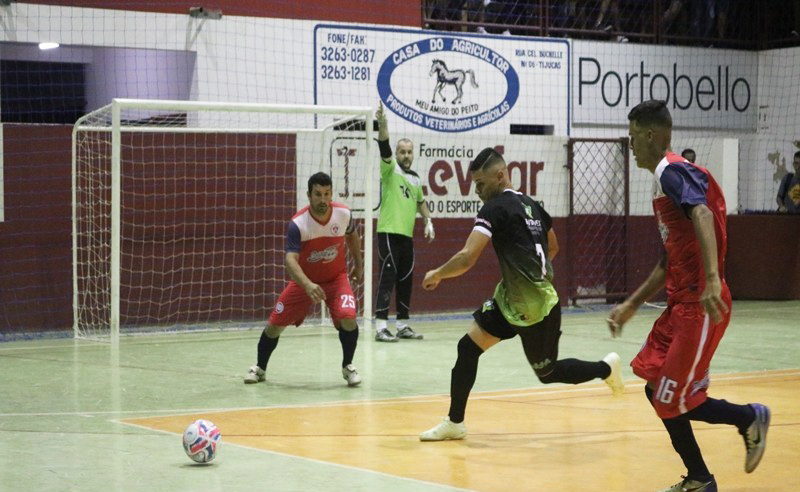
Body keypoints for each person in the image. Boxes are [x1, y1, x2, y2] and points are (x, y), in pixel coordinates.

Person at [608, 100, 770, 491]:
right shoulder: (662, 181)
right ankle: (699, 478)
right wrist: (632, 304)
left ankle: (747, 420)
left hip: (700, 305)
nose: (630, 145)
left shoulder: (670, 170)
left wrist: (713, 278)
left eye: (632, 137)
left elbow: (700, 214)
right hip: (680, 305)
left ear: (650, 135)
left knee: (671, 398)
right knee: (654, 387)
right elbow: (669, 258)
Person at [418, 147, 624, 442]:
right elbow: (552, 247)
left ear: (500, 176)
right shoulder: (533, 206)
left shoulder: (494, 208)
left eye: (480, 184)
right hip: (510, 301)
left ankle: (606, 368)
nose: (477, 191)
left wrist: (437, 273)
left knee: (548, 373)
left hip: (537, 309)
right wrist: (527, 276)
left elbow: (467, 256)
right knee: (468, 347)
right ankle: (455, 422)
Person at [244, 172, 364, 387]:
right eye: (318, 194)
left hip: (337, 279)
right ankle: (260, 368)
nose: (323, 199)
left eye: (327, 194)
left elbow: (353, 235)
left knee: (349, 317)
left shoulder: (343, 214)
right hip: (305, 282)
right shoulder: (298, 223)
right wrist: (307, 285)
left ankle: (348, 366)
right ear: (308, 195)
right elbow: (290, 260)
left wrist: (359, 265)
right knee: (274, 326)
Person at [374, 101, 434, 342]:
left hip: (406, 237)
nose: (406, 156)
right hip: (388, 232)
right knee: (388, 278)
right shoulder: (390, 170)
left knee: (406, 279)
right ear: (397, 154)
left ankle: (402, 324)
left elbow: (420, 201)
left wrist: (428, 221)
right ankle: (380, 327)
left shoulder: (416, 178)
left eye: (409, 152)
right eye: (402, 152)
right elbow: (384, 145)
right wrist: (383, 123)